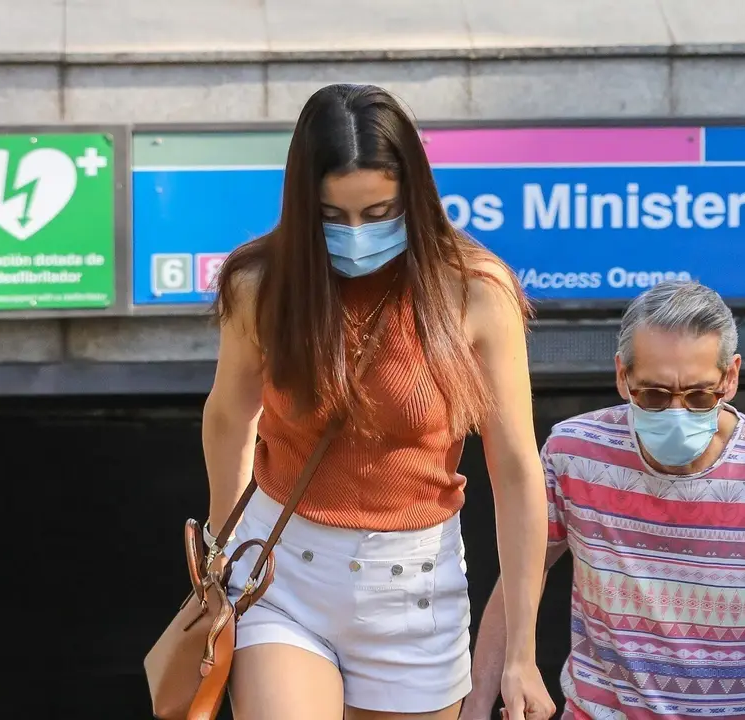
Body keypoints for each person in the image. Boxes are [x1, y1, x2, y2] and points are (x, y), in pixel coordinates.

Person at [203, 83, 555, 720]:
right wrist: (220, 561)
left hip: (414, 586)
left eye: (379, 212)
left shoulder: (474, 290)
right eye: (333, 216)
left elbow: (517, 470)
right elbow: (230, 415)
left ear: (414, 198)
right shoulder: (261, 284)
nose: (357, 233)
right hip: (283, 572)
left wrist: (520, 653)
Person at [464, 280, 745, 720]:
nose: (677, 413)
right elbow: (522, 574)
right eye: (655, 395)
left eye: (700, 396)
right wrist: (477, 703)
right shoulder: (574, 454)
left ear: (731, 377)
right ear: (622, 377)